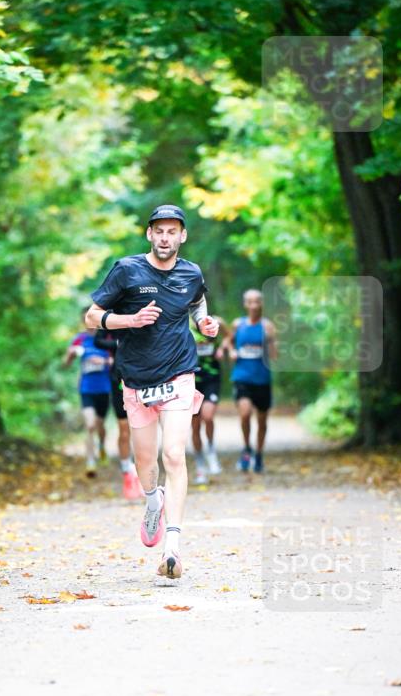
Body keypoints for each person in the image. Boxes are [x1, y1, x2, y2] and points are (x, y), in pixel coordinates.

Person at [85, 204, 218, 585]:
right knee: (147, 464)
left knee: (174, 454)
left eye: (172, 231)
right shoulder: (127, 270)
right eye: (159, 231)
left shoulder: (191, 272)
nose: (165, 238)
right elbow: (92, 316)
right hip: (136, 378)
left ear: (182, 236)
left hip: (179, 372)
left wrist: (205, 323)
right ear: (149, 234)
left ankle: (172, 546)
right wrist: (130, 320)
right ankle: (152, 500)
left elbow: (196, 303)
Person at [219, 289, 277, 473]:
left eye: (257, 301)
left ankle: (259, 454)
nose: (253, 305)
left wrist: (270, 341)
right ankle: (246, 449)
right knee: (244, 414)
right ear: (245, 304)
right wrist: (230, 350)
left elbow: (275, 355)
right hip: (242, 377)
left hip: (262, 379)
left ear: (261, 304)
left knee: (262, 421)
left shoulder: (267, 326)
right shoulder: (238, 324)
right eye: (249, 302)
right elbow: (228, 341)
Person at [94, 325, 144, 500]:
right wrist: (120, 343)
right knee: (124, 429)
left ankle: (144, 476)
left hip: (143, 377)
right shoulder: (113, 311)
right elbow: (97, 340)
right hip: (119, 378)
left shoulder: (145, 307)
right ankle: (127, 474)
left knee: (142, 430)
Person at [63, 313, 112, 477]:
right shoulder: (79, 339)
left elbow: (117, 361)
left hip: (104, 389)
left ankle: (102, 446)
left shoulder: (106, 338)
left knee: (100, 425)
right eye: (85, 320)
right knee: (90, 425)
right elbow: (66, 363)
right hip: (86, 389)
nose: (89, 323)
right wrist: (70, 355)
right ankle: (90, 462)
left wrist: (103, 362)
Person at [191, 319, 223, 485]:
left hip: (211, 378)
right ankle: (200, 465)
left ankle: (211, 450)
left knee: (208, 416)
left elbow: (229, 336)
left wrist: (224, 348)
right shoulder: (185, 326)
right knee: (195, 425)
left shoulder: (215, 322)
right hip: (191, 380)